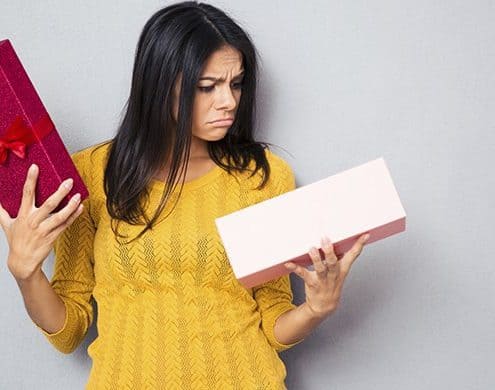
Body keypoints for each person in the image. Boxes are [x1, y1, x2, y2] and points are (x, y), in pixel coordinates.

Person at [0, 2, 370, 389]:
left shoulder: (263, 178)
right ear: (159, 85)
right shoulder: (93, 175)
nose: (228, 101)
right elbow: (68, 329)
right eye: (207, 87)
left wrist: (316, 308)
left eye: (236, 83)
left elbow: (273, 324)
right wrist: (26, 275)